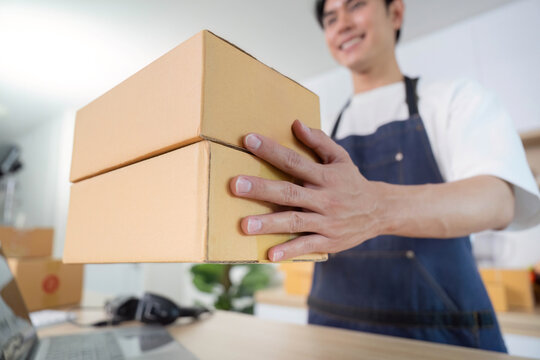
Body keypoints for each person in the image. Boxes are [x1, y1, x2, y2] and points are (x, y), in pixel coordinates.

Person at [229, 0, 540, 353]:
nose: (341, 23)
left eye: (355, 6)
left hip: (443, 339)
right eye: (330, 18)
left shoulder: (454, 100)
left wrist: (375, 208)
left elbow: (498, 199)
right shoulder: (322, 128)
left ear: (395, 13)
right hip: (332, 335)